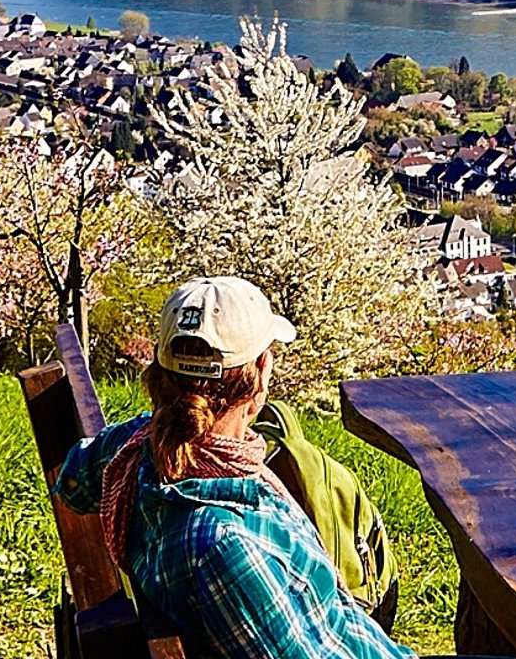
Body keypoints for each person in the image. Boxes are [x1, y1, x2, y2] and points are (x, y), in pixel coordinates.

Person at [53, 276, 409, 659]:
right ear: (260, 370)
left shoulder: (137, 452)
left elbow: (73, 483)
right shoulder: (225, 549)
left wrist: (142, 428)